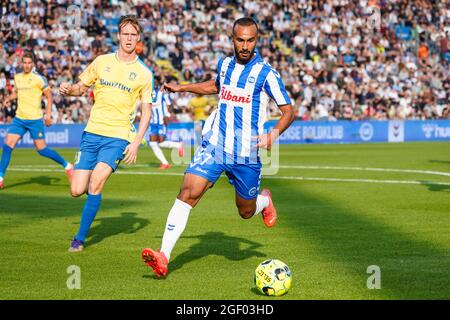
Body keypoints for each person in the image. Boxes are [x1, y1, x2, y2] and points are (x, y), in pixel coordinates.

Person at [141, 17, 295, 277]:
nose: (245, 46)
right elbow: (215, 86)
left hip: (246, 153)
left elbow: (288, 110)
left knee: (245, 211)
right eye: (240, 40)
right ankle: (163, 255)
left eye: (250, 40)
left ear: (256, 40)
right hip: (216, 145)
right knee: (188, 191)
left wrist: (273, 135)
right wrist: (183, 88)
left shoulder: (266, 73)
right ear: (232, 39)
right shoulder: (225, 65)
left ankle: (264, 201)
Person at [59, 15, 153, 252]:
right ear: (119, 36)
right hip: (92, 133)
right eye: (125, 34)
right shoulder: (101, 62)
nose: (129, 38)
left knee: (96, 182)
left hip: (118, 137)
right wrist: (70, 90)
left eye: (133, 34)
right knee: (76, 190)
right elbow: (82, 88)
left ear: (138, 38)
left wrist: (136, 143)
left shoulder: (144, 74)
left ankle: (79, 240)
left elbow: (147, 111)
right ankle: (86, 215)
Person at [0, 51, 73, 189]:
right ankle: (0, 178)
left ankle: (68, 166)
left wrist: (48, 114)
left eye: (29, 63)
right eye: (25, 63)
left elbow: (49, 97)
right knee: (8, 145)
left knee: (41, 149)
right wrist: (9, 98)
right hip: (19, 119)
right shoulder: (17, 77)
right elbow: (17, 92)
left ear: (32, 64)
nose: (27, 65)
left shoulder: (39, 79)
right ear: (22, 63)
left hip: (35, 120)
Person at [147, 77, 184, 169]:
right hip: (153, 121)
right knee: (152, 143)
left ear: (159, 83)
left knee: (161, 142)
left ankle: (178, 145)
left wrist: (168, 115)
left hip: (161, 121)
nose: (154, 83)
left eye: (156, 82)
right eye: (153, 82)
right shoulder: (148, 92)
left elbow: (169, 105)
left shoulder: (162, 93)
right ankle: (165, 163)